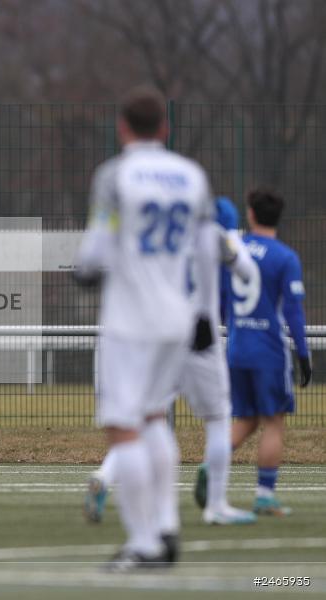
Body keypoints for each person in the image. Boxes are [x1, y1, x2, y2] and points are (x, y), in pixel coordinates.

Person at [74, 86, 216, 571]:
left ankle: (144, 542)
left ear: (122, 127)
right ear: (166, 128)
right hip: (178, 316)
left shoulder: (115, 174)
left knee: (123, 426)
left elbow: (96, 247)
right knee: (156, 417)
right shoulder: (191, 175)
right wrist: (205, 313)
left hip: (130, 320)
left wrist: (85, 268)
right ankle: (167, 527)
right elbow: (205, 247)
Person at [85, 197, 258, 526]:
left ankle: (105, 477)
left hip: (161, 333)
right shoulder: (215, 236)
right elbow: (246, 272)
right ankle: (216, 505)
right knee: (219, 418)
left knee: (145, 418)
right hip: (199, 335)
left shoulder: (166, 237)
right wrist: (232, 241)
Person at [225, 187, 312, 516]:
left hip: (236, 347)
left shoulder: (234, 250)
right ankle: (264, 495)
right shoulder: (284, 257)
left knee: (245, 418)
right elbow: (293, 312)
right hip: (269, 352)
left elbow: (222, 295)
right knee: (274, 422)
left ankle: (210, 465)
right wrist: (303, 354)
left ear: (250, 213)